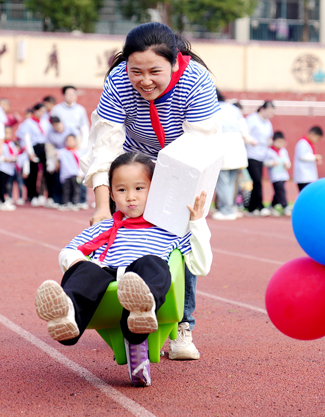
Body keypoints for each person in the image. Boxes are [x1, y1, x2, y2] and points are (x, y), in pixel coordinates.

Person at [80, 22, 221, 362]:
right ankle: (129, 309)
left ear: (174, 63)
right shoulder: (116, 82)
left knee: (181, 236)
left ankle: (182, 325)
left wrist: (185, 205)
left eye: (155, 71)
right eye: (136, 71)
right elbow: (106, 145)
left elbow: (201, 144)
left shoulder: (196, 81)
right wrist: (102, 203)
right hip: (135, 158)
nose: (144, 81)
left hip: (186, 159)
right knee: (128, 230)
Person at [34, 152, 212, 386]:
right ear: (110, 194)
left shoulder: (171, 230)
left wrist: (197, 223)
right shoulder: (105, 227)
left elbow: (201, 265)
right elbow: (68, 251)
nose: (130, 198)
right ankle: (68, 317)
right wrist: (78, 262)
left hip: (146, 286)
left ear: (155, 190)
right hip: (107, 280)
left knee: (153, 262)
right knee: (85, 270)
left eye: (139, 188)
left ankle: (141, 309)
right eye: (121, 190)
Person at [213, 90, 252, 221]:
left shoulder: (212, 107)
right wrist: (249, 139)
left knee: (223, 182)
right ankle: (230, 207)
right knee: (231, 181)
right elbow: (243, 128)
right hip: (237, 146)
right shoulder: (234, 109)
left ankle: (226, 210)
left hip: (223, 144)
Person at [51, 86, 90, 209]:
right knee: (61, 176)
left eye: (73, 94)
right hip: (62, 148)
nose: (71, 96)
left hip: (76, 147)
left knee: (80, 174)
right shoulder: (56, 110)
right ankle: (59, 200)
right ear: (63, 95)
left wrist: (83, 146)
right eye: (68, 94)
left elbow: (85, 128)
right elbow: (52, 127)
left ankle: (81, 200)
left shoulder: (80, 110)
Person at [17, 103, 52, 207]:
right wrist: (30, 153)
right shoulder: (28, 123)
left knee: (47, 172)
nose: (42, 113)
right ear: (35, 111)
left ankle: (48, 196)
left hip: (45, 147)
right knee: (33, 173)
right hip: (34, 147)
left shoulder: (45, 122)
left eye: (43, 111)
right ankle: (32, 195)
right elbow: (26, 138)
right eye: (40, 111)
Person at [244, 101, 275, 216]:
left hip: (261, 156)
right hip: (251, 155)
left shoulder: (268, 123)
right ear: (262, 109)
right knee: (257, 181)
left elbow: (269, 138)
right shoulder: (253, 119)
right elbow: (245, 132)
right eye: (270, 111)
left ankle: (252, 207)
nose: (271, 114)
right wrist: (251, 141)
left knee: (257, 181)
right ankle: (260, 206)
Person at [263, 131, 291, 216]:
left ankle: (272, 206)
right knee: (281, 191)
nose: (280, 144)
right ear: (273, 141)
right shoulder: (269, 151)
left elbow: (288, 162)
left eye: (282, 142)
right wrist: (272, 163)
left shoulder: (284, 151)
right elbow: (265, 162)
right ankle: (285, 206)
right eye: (278, 142)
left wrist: (287, 164)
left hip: (283, 174)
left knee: (278, 192)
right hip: (275, 175)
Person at [0, 125, 19, 211]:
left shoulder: (11, 144)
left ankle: (6, 198)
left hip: (10, 169)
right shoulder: (0, 144)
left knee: (9, 185)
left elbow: (15, 154)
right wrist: (7, 159)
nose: (7, 135)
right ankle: (1, 200)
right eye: (5, 133)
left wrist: (14, 158)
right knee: (1, 185)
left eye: (9, 133)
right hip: (2, 168)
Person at [293, 126, 323, 192]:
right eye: (317, 139)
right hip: (303, 176)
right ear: (312, 134)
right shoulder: (302, 143)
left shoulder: (309, 144)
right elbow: (302, 156)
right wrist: (315, 157)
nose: (317, 141)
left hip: (308, 176)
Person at [57, 134, 83, 211]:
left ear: (75, 141)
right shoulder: (62, 152)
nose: (70, 142)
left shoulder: (79, 152)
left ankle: (75, 203)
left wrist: (81, 173)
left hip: (76, 174)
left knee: (76, 189)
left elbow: (81, 163)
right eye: (68, 140)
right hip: (66, 174)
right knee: (66, 189)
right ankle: (65, 202)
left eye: (72, 140)